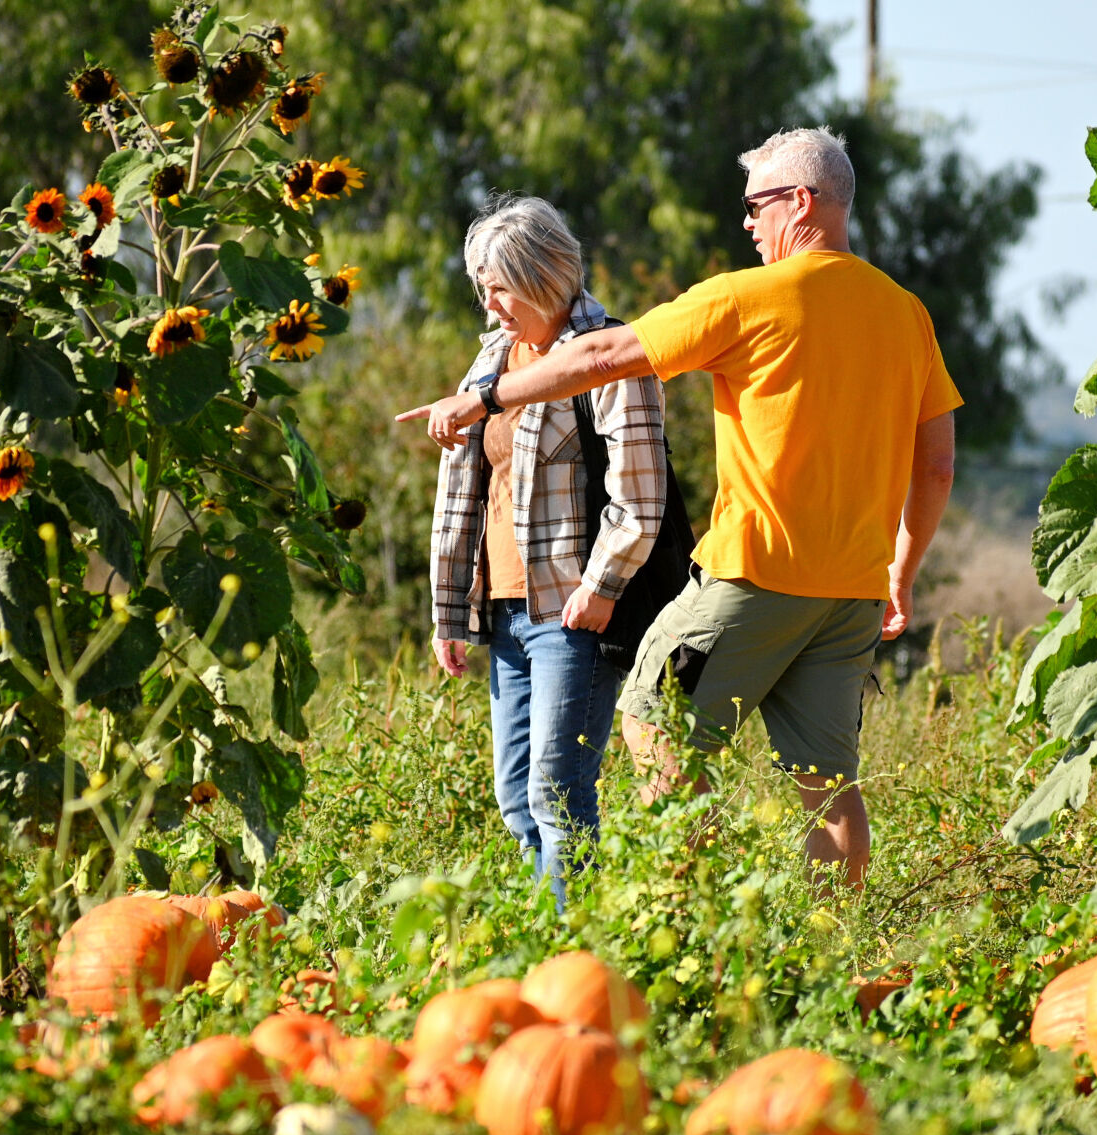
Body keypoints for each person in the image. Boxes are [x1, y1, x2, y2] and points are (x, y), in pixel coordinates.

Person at [401, 129, 959, 890]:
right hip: (851, 591)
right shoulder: (907, 314)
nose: (747, 224)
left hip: (752, 574)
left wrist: (487, 395)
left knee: (652, 720)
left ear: (801, 201)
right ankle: (838, 942)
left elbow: (599, 355)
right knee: (828, 788)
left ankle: (689, 911)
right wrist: (902, 568)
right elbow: (936, 464)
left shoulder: (747, 296)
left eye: (755, 205)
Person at [426, 195, 667, 906]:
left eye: (498, 286)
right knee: (515, 797)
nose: (490, 304)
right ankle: (548, 933)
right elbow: (464, 492)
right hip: (503, 610)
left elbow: (640, 492)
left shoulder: (608, 353)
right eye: (482, 287)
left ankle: (575, 949)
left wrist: (603, 585)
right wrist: (449, 613)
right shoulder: (492, 358)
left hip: (572, 612)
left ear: (539, 275)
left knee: (558, 792)